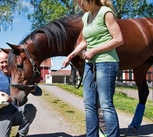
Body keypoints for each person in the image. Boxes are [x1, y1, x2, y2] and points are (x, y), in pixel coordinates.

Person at [62, 0, 123, 137]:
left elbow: (118, 39)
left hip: (106, 62)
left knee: (106, 104)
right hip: (90, 64)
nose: (79, 7)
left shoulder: (105, 13)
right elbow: (85, 41)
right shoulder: (86, 16)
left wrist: (94, 51)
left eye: (81, 3)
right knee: (89, 104)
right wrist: (71, 56)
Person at [0, 50, 40, 137]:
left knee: (31, 109)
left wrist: (33, 89)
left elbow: (39, 92)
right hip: (2, 115)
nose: (4, 64)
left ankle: (21, 135)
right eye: (2, 62)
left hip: (17, 112)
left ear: (11, 60)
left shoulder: (20, 74)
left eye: (6, 61)